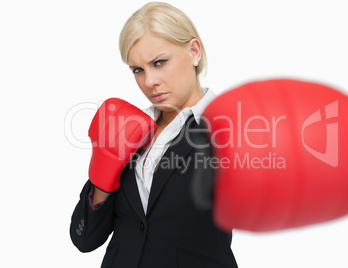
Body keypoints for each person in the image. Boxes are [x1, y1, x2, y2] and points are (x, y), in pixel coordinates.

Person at [70, 2, 238, 267]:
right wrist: (103, 172)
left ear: (194, 51)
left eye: (159, 63)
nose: (149, 82)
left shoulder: (231, 128)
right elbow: (85, 240)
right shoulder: (130, 127)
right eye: (137, 70)